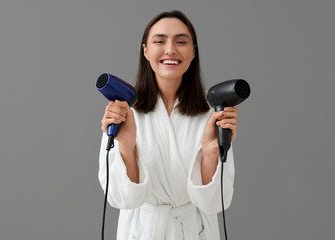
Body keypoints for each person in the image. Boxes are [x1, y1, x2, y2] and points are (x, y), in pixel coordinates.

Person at [99, 10, 239, 240]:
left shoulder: (212, 113)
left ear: (193, 51)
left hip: (196, 231)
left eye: (181, 41)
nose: (170, 49)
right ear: (145, 50)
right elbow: (122, 199)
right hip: (142, 232)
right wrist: (125, 147)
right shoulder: (123, 111)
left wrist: (211, 153)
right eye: (159, 41)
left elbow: (216, 202)